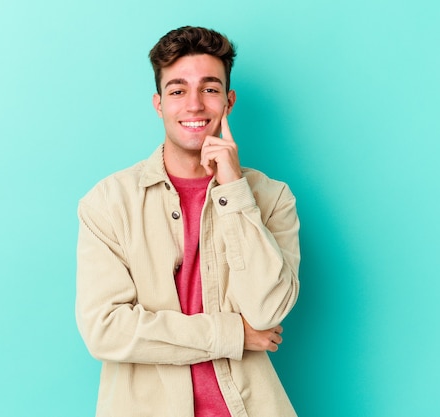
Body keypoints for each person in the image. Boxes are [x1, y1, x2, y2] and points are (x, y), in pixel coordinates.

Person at [76, 26, 301, 417]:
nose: (194, 105)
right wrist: (233, 335)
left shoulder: (270, 197)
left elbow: (267, 311)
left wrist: (233, 190)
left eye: (209, 89)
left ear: (228, 101)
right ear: (159, 104)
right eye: (178, 90)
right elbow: (106, 330)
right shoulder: (108, 203)